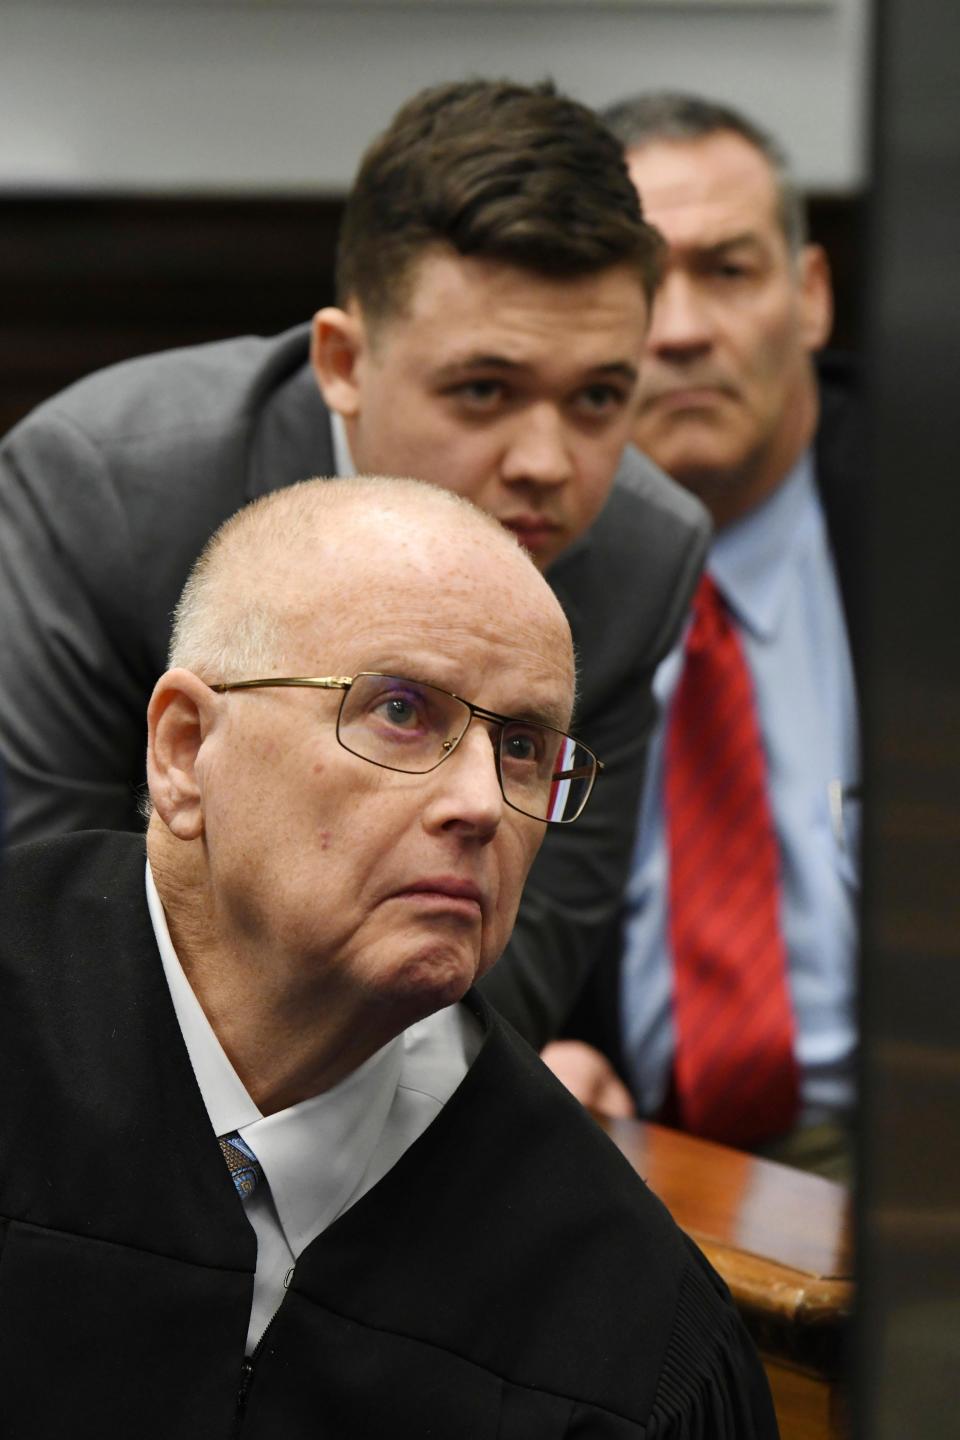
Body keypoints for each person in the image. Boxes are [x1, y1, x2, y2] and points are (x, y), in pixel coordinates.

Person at [0, 477, 778, 1438]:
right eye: (402, 711)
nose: (482, 805)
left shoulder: (625, 1320)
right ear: (184, 751)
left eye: (526, 747)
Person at [0, 78, 708, 1048]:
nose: (547, 462)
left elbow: (522, 961)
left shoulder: (638, 554)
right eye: (484, 388)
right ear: (343, 363)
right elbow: (50, 927)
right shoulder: (106, 493)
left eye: (597, 399)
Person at [546, 94, 859, 1181]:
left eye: (728, 270)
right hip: (620, 1156)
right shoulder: (494, 544)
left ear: (810, 295)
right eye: (641, 282)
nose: (679, 329)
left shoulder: (928, 516)